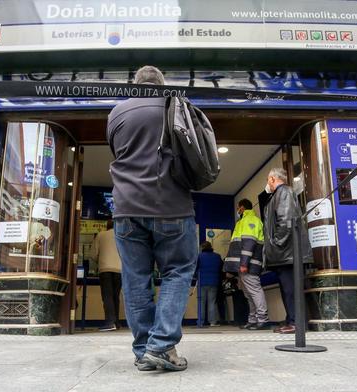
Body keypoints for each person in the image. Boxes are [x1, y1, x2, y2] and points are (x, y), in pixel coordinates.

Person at [107, 65, 198, 372]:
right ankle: (160, 347)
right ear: (162, 84)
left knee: (135, 280)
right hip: (171, 204)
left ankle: (144, 350)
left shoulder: (116, 113)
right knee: (177, 271)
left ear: (136, 85)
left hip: (126, 208)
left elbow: (117, 151)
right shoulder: (174, 105)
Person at [263, 167, 312, 334]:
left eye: (267, 181)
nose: (267, 184)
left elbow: (286, 222)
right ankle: (292, 320)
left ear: (272, 179)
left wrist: (276, 244)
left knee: (290, 289)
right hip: (287, 253)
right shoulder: (280, 194)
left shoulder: (283, 193)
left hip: (287, 253)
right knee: (288, 288)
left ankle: (296, 323)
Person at [225, 199, 270, 330]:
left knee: (254, 291)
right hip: (244, 265)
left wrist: (244, 263)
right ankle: (253, 319)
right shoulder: (243, 221)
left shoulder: (250, 220)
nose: (237, 210)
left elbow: (249, 243)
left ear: (242, 208)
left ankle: (263, 319)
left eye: (238, 208)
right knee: (248, 293)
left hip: (249, 264)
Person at [91, 219, 122, 331]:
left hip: (105, 269)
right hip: (119, 270)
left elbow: (93, 255)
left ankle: (110, 322)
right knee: (115, 296)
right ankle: (116, 322)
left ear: (107, 226)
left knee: (107, 296)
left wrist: (99, 260)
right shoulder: (121, 236)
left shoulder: (100, 235)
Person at [196, 241, 223, 327]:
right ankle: (213, 322)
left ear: (202, 248)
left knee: (201, 302)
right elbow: (221, 268)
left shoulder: (199, 256)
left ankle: (200, 322)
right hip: (214, 281)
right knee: (212, 302)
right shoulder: (217, 256)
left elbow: (195, 268)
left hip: (202, 281)